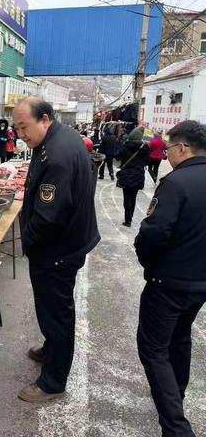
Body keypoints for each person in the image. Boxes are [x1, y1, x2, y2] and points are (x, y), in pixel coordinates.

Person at [13, 97, 100, 403]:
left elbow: (48, 218)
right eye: (17, 128)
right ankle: (52, 349)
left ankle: (53, 382)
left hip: (58, 250)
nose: (21, 134)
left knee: (57, 313)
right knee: (52, 309)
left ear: (45, 119)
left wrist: (28, 242)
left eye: (24, 127)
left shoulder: (58, 155)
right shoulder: (58, 137)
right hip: (67, 242)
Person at [134, 120, 206, 437]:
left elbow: (152, 234)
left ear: (182, 148)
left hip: (169, 282)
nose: (166, 156)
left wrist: (151, 267)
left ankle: (176, 428)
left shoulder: (176, 183)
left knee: (153, 349)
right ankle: (175, 394)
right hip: (199, 283)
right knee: (180, 338)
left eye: (169, 150)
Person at [115, 127, 150, 227]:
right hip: (138, 175)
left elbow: (117, 156)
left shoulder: (126, 146)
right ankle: (130, 217)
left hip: (126, 175)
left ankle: (128, 219)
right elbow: (148, 162)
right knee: (133, 198)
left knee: (127, 198)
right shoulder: (145, 148)